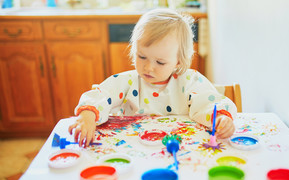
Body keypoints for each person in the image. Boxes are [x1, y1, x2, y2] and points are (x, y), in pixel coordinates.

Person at [69, 8, 237, 147]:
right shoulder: (127, 82)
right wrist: (88, 116)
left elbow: (210, 103)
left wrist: (221, 119)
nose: (148, 67)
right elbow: (101, 95)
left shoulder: (189, 81)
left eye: (160, 62)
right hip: (134, 148)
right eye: (142, 57)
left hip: (180, 148)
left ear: (178, 61)